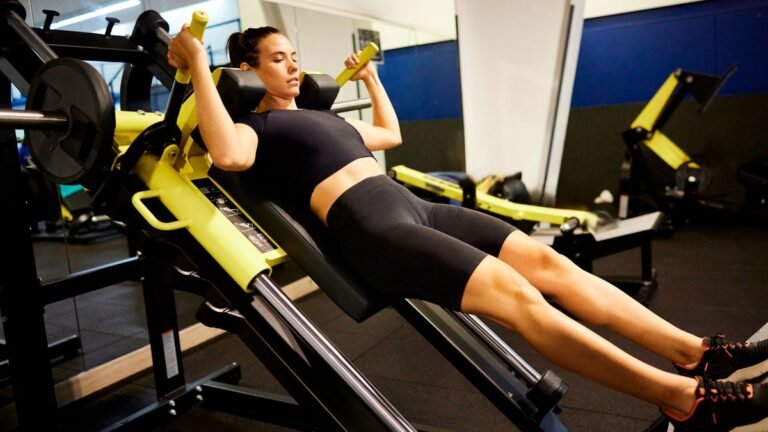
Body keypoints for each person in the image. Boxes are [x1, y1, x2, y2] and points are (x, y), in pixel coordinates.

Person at [167, 24, 768, 431]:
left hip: (407, 203)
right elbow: (227, 156)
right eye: (278, 59)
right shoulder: (259, 130)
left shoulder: (320, 118)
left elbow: (390, 135)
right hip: (371, 226)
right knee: (520, 300)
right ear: (246, 71)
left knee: (553, 264)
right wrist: (198, 63)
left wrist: (372, 80)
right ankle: (687, 401)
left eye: (295, 57)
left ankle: (696, 354)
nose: (294, 67)